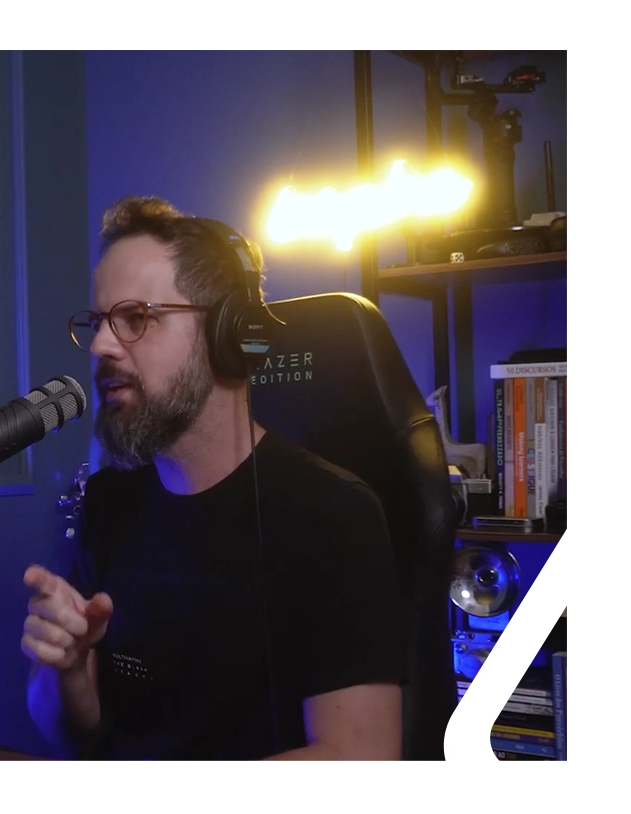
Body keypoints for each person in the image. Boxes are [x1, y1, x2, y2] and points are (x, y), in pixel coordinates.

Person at [22, 195, 406, 766]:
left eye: (135, 318)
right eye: (98, 322)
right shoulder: (107, 503)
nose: (101, 345)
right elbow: (69, 732)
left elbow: (359, 758)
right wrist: (68, 670)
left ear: (229, 334)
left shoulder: (332, 514)